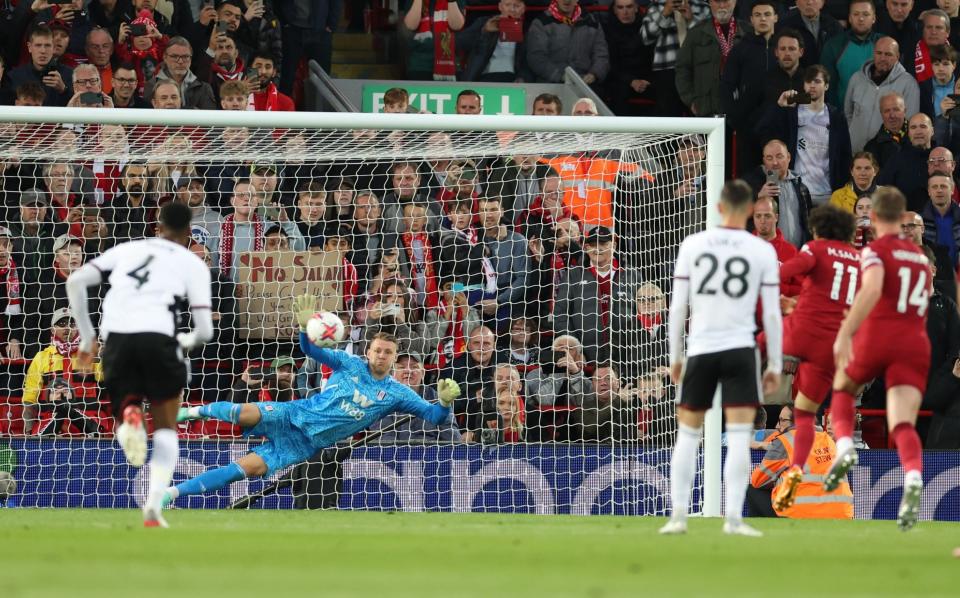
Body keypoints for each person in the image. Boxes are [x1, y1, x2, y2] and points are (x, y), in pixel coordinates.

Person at [167, 306, 462, 507]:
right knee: (245, 412)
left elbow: (433, 415)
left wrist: (446, 402)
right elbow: (310, 350)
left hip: (303, 444)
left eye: (388, 353)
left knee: (243, 470)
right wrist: (302, 328)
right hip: (294, 414)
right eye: (378, 350)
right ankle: (193, 411)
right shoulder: (349, 363)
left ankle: (170, 493)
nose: (382, 356)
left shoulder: (398, 393)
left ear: (395, 358)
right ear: (368, 351)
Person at [64, 202, 212, 528]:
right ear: (189, 232)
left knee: (126, 404)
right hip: (159, 340)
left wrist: (87, 339)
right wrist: (183, 343)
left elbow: (75, 282)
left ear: (157, 226)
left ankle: (129, 412)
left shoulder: (126, 249)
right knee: (166, 429)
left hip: (116, 342)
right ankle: (153, 508)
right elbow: (205, 331)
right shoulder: (192, 263)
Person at [660, 179, 782, 537]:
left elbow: (678, 306)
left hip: (701, 348)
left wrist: (675, 356)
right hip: (740, 351)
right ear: (748, 211)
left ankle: (678, 517)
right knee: (742, 435)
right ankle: (732, 519)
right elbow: (772, 314)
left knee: (687, 435)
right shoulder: (761, 251)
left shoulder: (694, 244)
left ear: (718, 208)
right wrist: (774, 363)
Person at [825, 186, 931, 531]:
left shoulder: (874, 250)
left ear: (872, 218)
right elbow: (925, 299)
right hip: (915, 341)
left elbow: (871, 290)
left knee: (841, 390)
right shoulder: (919, 257)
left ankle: (844, 448)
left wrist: (845, 332)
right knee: (902, 423)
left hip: (880, 335)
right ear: (902, 218)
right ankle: (913, 477)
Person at [768, 205, 860, 512]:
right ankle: (836, 447)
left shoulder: (815, 248)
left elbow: (785, 272)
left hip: (806, 333)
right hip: (837, 344)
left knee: (758, 340)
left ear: (819, 228)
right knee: (821, 406)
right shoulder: (860, 261)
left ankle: (795, 469)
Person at [750, 412, 855, 519]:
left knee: (752, 489)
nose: (777, 425)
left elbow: (757, 480)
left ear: (794, 422)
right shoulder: (829, 441)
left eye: (782, 420)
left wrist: (777, 479)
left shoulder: (785, 441)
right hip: (842, 513)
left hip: (801, 513)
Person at [20, 307, 103, 437]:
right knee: (62, 407)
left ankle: (92, 430)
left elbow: (106, 377)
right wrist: (29, 430)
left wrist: (104, 357)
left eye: (72, 324)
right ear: (53, 329)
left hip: (87, 419)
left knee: (65, 406)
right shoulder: (42, 357)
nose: (68, 328)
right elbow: (29, 399)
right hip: (51, 422)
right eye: (62, 324)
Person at [843, 37, 920, 152]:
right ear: (873, 53)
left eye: (888, 54)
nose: (883, 58)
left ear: (897, 57)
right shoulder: (857, 78)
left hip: (887, 155)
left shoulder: (909, 84)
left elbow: (910, 122)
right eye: (879, 53)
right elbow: (848, 113)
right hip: (855, 153)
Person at [640, 0, 710, 116]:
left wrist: (691, 20)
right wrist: (664, 14)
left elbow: (710, 40)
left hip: (698, 69)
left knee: (700, 117)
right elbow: (645, 37)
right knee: (668, 120)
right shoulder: (656, 7)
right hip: (667, 70)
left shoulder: (703, 7)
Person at [675, 0, 744, 117]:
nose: (722, 5)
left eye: (726, 1)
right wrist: (691, 100)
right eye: (717, 1)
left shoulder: (748, 32)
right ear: (710, 3)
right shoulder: (696, 33)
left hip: (742, 109)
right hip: (707, 110)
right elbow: (683, 69)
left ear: (735, 2)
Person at [525, 0, 609, 85]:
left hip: (586, 86)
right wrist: (560, 76)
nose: (567, 0)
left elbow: (601, 55)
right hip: (551, 86)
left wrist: (594, 74)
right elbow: (536, 57)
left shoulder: (592, 22)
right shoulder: (541, 22)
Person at [820, 0, 881, 107]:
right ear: (850, 18)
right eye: (856, 14)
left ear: (874, 18)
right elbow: (827, 86)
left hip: (880, 113)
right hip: (844, 115)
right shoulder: (833, 45)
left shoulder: (884, 43)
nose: (861, 18)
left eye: (866, 14)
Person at [455, 0, 532, 82]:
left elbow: (530, 61)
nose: (512, 9)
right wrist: (484, 31)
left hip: (513, 78)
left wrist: (523, 77)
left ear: (523, 9)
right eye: (507, 5)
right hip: (483, 76)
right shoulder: (484, 22)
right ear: (500, 7)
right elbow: (458, 43)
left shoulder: (528, 30)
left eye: (517, 6)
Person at [864, 92, 908, 169]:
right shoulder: (871, 148)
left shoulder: (920, 136)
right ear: (881, 113)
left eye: (896, 109)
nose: (892, 115)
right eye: (887, 111)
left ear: (904, 111)